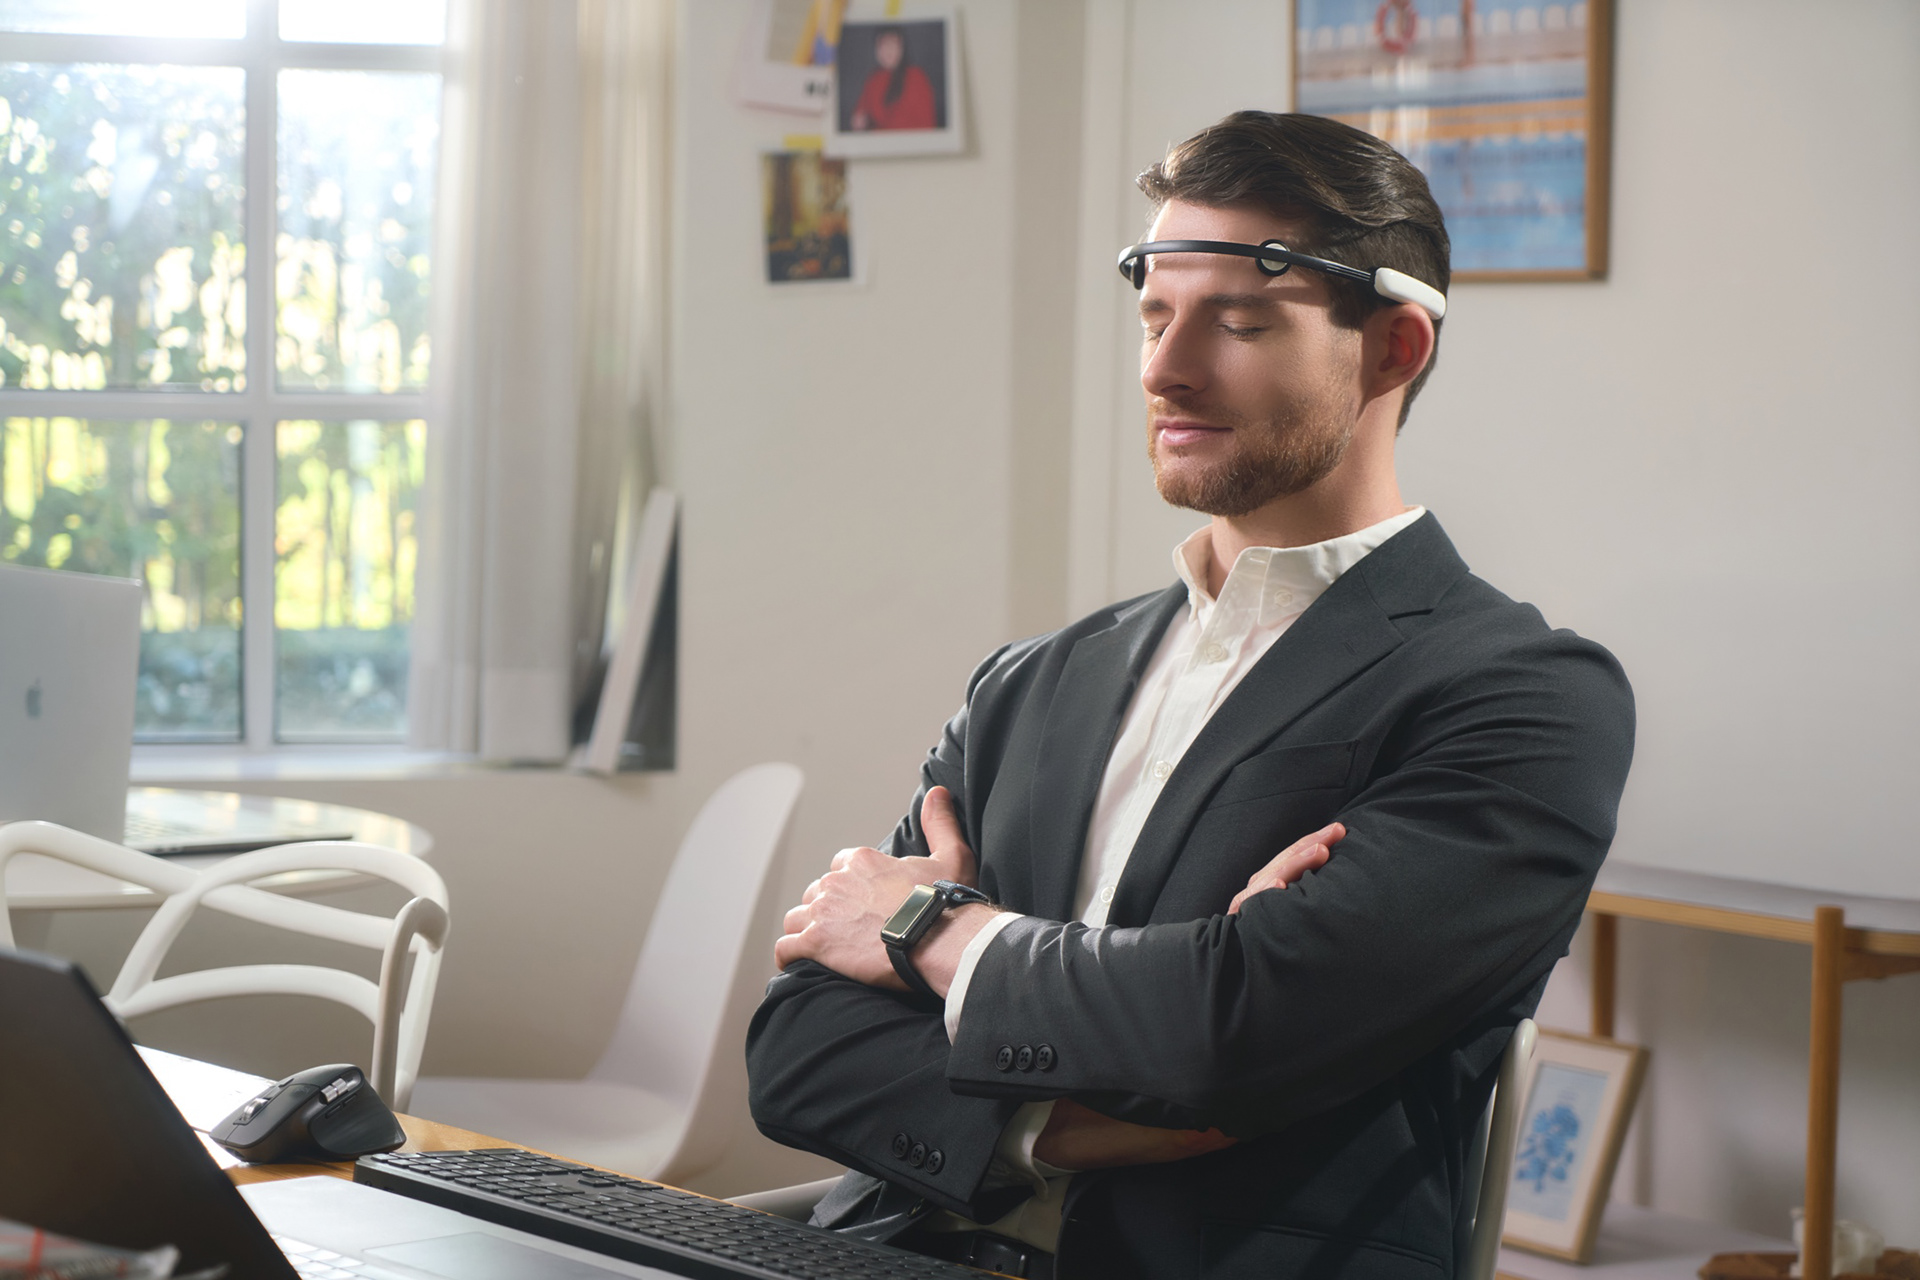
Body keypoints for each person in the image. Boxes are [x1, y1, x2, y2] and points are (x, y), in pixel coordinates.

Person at [746, 110, 1635, 1280]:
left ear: (1394, 349)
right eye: (1156, 316)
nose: (1165, 367)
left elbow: (1230, 1028)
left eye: (1241, 321)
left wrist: (929, 929)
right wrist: (1059, 1124)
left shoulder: (1522, 697)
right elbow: (798, 1045)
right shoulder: (1031, 682)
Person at [847, 25, 936, 132]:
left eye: (893, 44)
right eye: (883, 45)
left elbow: (926, 125)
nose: (888, 50)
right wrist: (859, 121)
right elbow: (860, 111)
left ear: (901, 49)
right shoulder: (873, 79)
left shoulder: (916, 77)